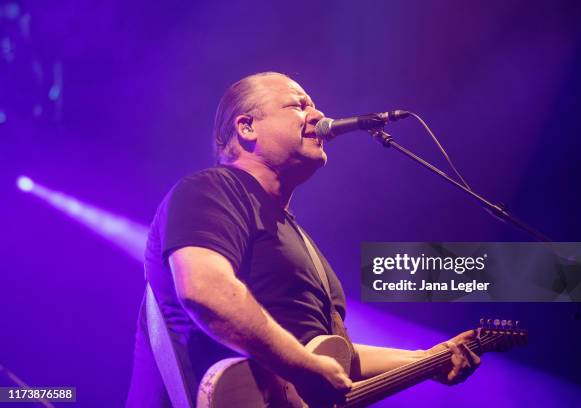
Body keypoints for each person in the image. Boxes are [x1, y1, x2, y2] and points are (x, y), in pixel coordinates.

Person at [126, 71, 480, 407]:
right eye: (299, 105)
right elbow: (205, 290)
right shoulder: (211, 189)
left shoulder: (301, 243)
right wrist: (302, 366)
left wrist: (427, 360)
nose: (318, 114)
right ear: (246, 127)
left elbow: (336, 359)